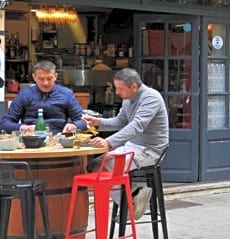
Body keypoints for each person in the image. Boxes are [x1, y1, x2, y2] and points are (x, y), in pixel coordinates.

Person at [83, 68, 169, 219]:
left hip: (150, 150)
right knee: (95, 164)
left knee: (107, 164)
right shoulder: (128, 99)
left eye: (120, 89)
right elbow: (120, 121)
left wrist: (108, 142)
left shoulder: (151, 98)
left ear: (134, 87)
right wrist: (98, 122)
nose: (117, 92)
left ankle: (130, 205)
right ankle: (135, 195)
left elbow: (136, 126)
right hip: (133, 146)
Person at [1, 61, 87, 135]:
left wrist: (74, 125)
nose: (45, 83)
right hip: (30, 138)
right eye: (41, 79)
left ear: (55, 76)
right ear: (34, 77)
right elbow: (4, 124)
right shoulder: (24, 95)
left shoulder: (66, 94)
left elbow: (83, 121)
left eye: (49, 79)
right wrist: (23, 127)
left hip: (59, 138)